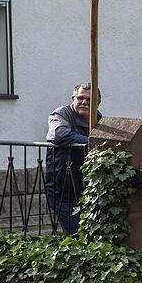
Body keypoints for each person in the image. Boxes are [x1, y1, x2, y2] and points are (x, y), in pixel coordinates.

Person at [45, 82, 101, 234]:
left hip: (88, 191)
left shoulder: (99, 119)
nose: (84, 102)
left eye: (89, 99)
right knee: (76, 236)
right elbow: (59, 135)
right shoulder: (61, 114)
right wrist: (92, 142)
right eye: (80, 98)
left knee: (90, 238)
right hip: (63, 190)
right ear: (73, 98)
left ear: (98, 102)